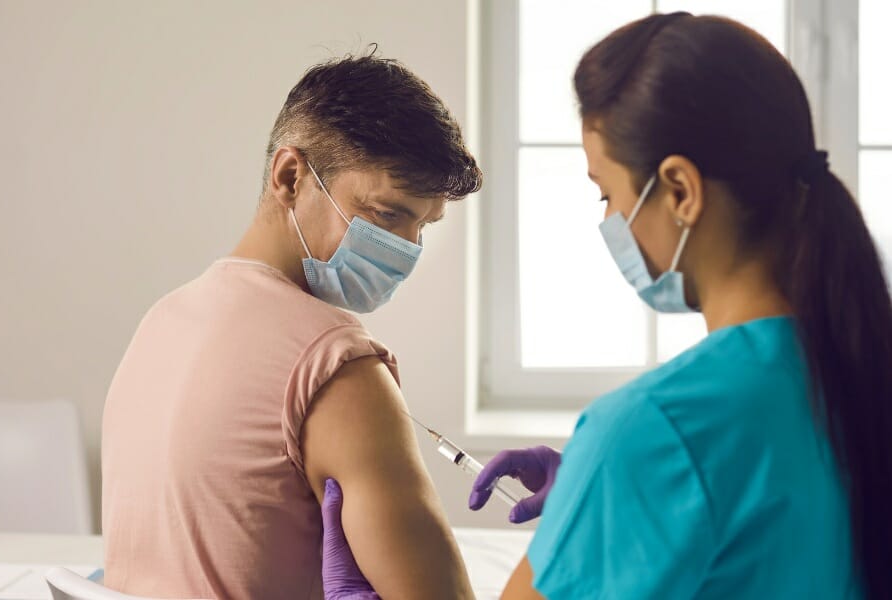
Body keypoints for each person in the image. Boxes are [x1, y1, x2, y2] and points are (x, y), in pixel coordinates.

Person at [318, 12, 892, 600]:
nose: (610, 219)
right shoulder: (859, 367)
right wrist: (601, 496)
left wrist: (621, 473)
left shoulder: (659, 429)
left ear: (680, 192)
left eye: (608, 192)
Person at [101, 50, 481, 600]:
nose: (406, 249)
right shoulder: (340, 367)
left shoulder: (161, 322)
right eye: (388, 213)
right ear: (290, 176)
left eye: (424, 225)